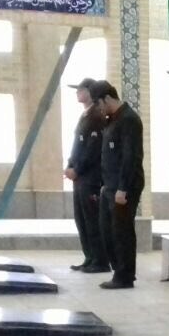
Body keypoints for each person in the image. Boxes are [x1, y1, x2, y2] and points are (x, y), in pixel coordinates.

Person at [90, 81, 144, 290]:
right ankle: (118, 271)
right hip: (110, 186)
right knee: (108, 230)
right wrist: (105, 185)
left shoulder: (129, 119)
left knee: (122, 232)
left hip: (124, 187)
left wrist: (123, 188)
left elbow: (131, 157)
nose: (98, 109)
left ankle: (125, 275)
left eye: (98, 104)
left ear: (107, 98)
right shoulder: (112, 120)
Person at [64, 77, 108, 274]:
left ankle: (100, 260)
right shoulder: (85, 116)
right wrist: (69, 165)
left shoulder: (97, 116)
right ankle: (89, 257)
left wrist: (78, 169)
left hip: (90, 178)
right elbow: (77, 146)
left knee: (92, 220)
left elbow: (93, 149)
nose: (77, 93)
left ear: (90, 93)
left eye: (81, 90)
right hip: (80, 177)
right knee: (81, 219)